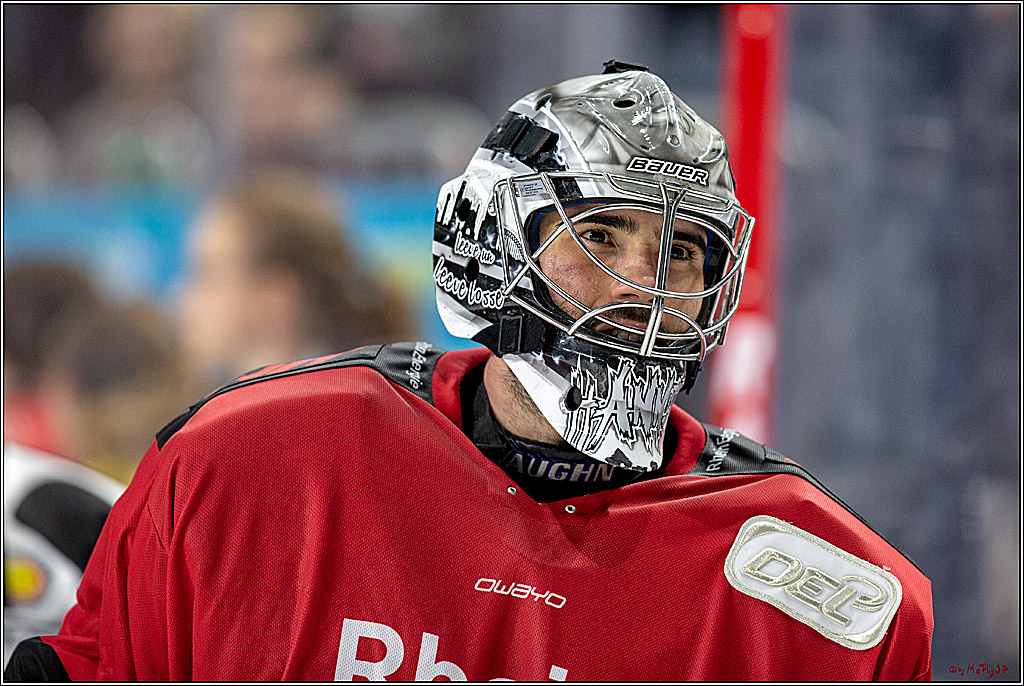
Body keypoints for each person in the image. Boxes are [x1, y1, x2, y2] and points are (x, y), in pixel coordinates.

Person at [4, 63, 933, 681]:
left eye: (682, 252)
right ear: (488, 244)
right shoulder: (243, 467)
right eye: (599, 236)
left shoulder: (833, 593)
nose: (644, 291)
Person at [176, 168, 413, 391]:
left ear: (274, 298)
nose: (182, 294)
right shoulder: (211, 402)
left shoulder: (335, 413)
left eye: (208, 275)